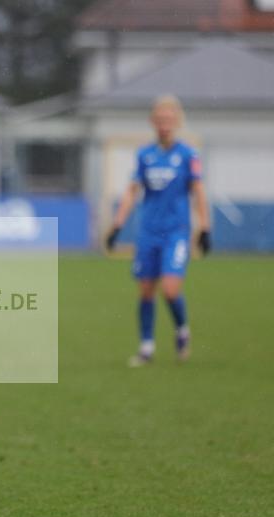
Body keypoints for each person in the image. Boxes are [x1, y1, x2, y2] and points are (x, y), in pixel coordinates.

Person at [106, 94, 211, 366]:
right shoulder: (145, 155)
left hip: (176, 232)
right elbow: (132, 191)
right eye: (160, 119)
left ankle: (182, 330)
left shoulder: (188, 155)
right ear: (153, 122)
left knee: (171, 290)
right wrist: (117, 224)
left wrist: (205, 227)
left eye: (169, 119)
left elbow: (198, 191)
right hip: (148, 233)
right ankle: (146, 347)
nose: (164, 124)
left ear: (177, 121)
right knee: (145, 291)